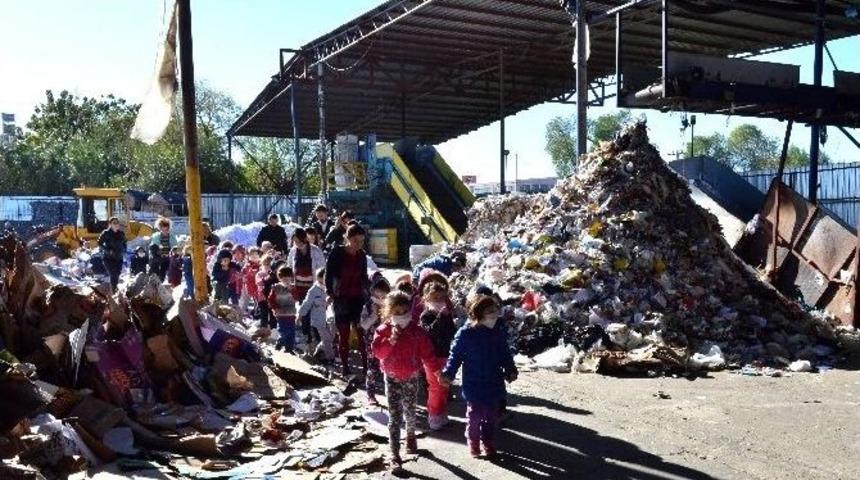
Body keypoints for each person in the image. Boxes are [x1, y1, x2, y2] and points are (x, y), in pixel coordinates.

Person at [440, 295, 518, 458]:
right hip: (473, 383)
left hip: (494, 382)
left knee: (491, 417)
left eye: (495, 310)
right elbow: (455, 356)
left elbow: (505, 354)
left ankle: (487, 441)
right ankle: (473, 442)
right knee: (474, 416)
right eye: (490, 311)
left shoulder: (497, 332)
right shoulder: (466, 334)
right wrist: (448, 373)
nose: (494, 314)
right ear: (478, 313)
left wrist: (511, 369)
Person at [371, 291, 436, 472]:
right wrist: (390, 340)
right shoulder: (383, 330)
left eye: (405, 311)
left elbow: (427, 353)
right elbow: (378, 353)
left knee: (410, 410)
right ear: (389, 312)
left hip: (411, 376)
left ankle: (410, 436)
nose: (402, 315)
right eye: (397, 312)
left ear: (410, 310)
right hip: (392, 377)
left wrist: (437, 372)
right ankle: (394, 454)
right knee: (394, 416)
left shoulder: (417, 331)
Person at [325, 223, 370, 376]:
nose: (359, 244)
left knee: (361, 334)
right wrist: (330, 293)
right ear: (348, 238)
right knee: (344, 334)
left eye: (362, 241)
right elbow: (329, 274)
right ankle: (345, 367)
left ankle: (367, 368)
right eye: (356, 240)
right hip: (341, 298)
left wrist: (370, 294)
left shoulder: (362, 255)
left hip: (357, 299)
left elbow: (364, 276)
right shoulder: (337, 252)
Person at [419, 282, 457, 431]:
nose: (439, 300)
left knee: (445, 386)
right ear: (427, 298)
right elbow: (429, 332)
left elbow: (452, 333)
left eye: (442, 297)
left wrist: (448, 318)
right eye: (435, 297)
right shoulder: (426, 316)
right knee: (435, 387)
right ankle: (434, 415)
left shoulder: (446, 314)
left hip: (445, 354)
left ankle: (441, 412)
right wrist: (440, 317)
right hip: (431, 357)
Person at [288, 228, 325, 342]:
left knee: (315, 312)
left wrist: (321, 284)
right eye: (295, 242)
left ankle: (319, 338)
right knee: (304, 311)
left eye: (299, 241)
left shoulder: (315, 250)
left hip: (313, 286)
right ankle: (306, 336)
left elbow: (322, 268)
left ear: (304, 239)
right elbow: (290, 266)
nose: (297, 244)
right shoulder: (293, 251)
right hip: (299, 287)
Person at [360, 277, 391, 406]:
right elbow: (363, 325)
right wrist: (374, 315)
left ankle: (391, 396)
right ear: (373, 291)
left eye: (384, 292)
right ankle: (370, 394)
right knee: (372, 368)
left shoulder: (390, 305)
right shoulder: (368, 306)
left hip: (387, 340)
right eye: (378, 291)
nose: (381, 295)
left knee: (388, 367)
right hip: (371, 341)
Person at [298, 268, 335, 362]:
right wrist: (300, 315)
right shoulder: (313, 290)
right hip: (319, 319)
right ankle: (331, 358)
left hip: (332, 318)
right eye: (323, 277)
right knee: (326, 339)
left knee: (330, 338)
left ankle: (317, 351)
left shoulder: (332, 287)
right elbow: (307, 303)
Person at [268, 266, 298, 352]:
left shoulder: (293, 287)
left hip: (291, 313)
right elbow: (270, 299)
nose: (286, 281)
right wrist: (275, 308)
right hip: (281, 313)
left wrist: (291, 291)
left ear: (291, 278)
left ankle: (289, 348)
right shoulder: (276, 287)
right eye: (284, 279)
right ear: (280, 278)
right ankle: (279, 342)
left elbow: (296, 298)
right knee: (283, 330)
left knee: (291, 331)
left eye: (288, 278)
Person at [97, 217, 127, 290]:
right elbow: (99, 243)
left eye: (117, 222)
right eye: (114, 223)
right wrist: (107, 250)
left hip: (119, 258)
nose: (116, 224)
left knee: (117, 274)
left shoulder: (121, 233)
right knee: (113, 274)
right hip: (109, 258)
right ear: (110, 224)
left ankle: (114, 290)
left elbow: (124, 243)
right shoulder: (106, 233)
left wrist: (124, 250)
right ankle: (114, 290)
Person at [255, 254, 275, 331]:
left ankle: (273, 329)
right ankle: (263, 329)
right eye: (265, 264)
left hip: (272, 298)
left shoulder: (274, 274)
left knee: (273, 314)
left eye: (269, 265)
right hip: (262, 298)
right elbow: (259, 282)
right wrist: (266, 278)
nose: (267, 267)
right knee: (264, 314)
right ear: (262, 265)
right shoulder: (259, 274)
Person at [242, 246, 262, 311]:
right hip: (250, 286)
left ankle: (257, 310)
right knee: (254, 299)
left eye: (256, 254)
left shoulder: (261, 265)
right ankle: (254, 310)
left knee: (258, 299)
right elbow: (243, 274)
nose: (254, 256)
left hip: (258, 286)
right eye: (252, 255)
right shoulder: (247, 266)